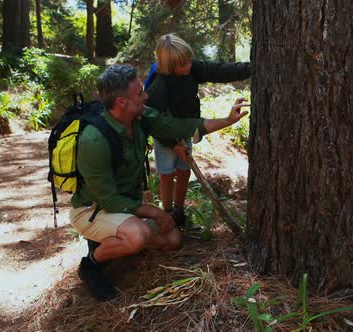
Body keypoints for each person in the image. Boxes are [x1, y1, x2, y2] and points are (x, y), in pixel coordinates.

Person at [71, 64, 249, 301]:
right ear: (122, 102)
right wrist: (154, 212)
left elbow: (181, 126)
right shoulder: (94, 140)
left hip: (125, 208)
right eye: (140, 93)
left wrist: (227, 120)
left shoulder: (140, 117)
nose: (147, 96)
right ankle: (91, 265)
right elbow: (109, 199)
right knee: (139, 236)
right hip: (93, 210)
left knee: (172, 239)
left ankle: (116, 244)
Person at [145, 33, 251, 227]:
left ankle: (179, 212)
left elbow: (218, 70)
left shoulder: (191, 68)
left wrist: (248, 69)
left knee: (184, 170)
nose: (189, 66)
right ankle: (167, 214)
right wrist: (174, 145)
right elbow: (154, 124)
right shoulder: (159, 87)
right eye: (183, 64)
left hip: (187, 129)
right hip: (165, 136)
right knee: (167, 173)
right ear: (170, 67)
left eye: (189, 60)